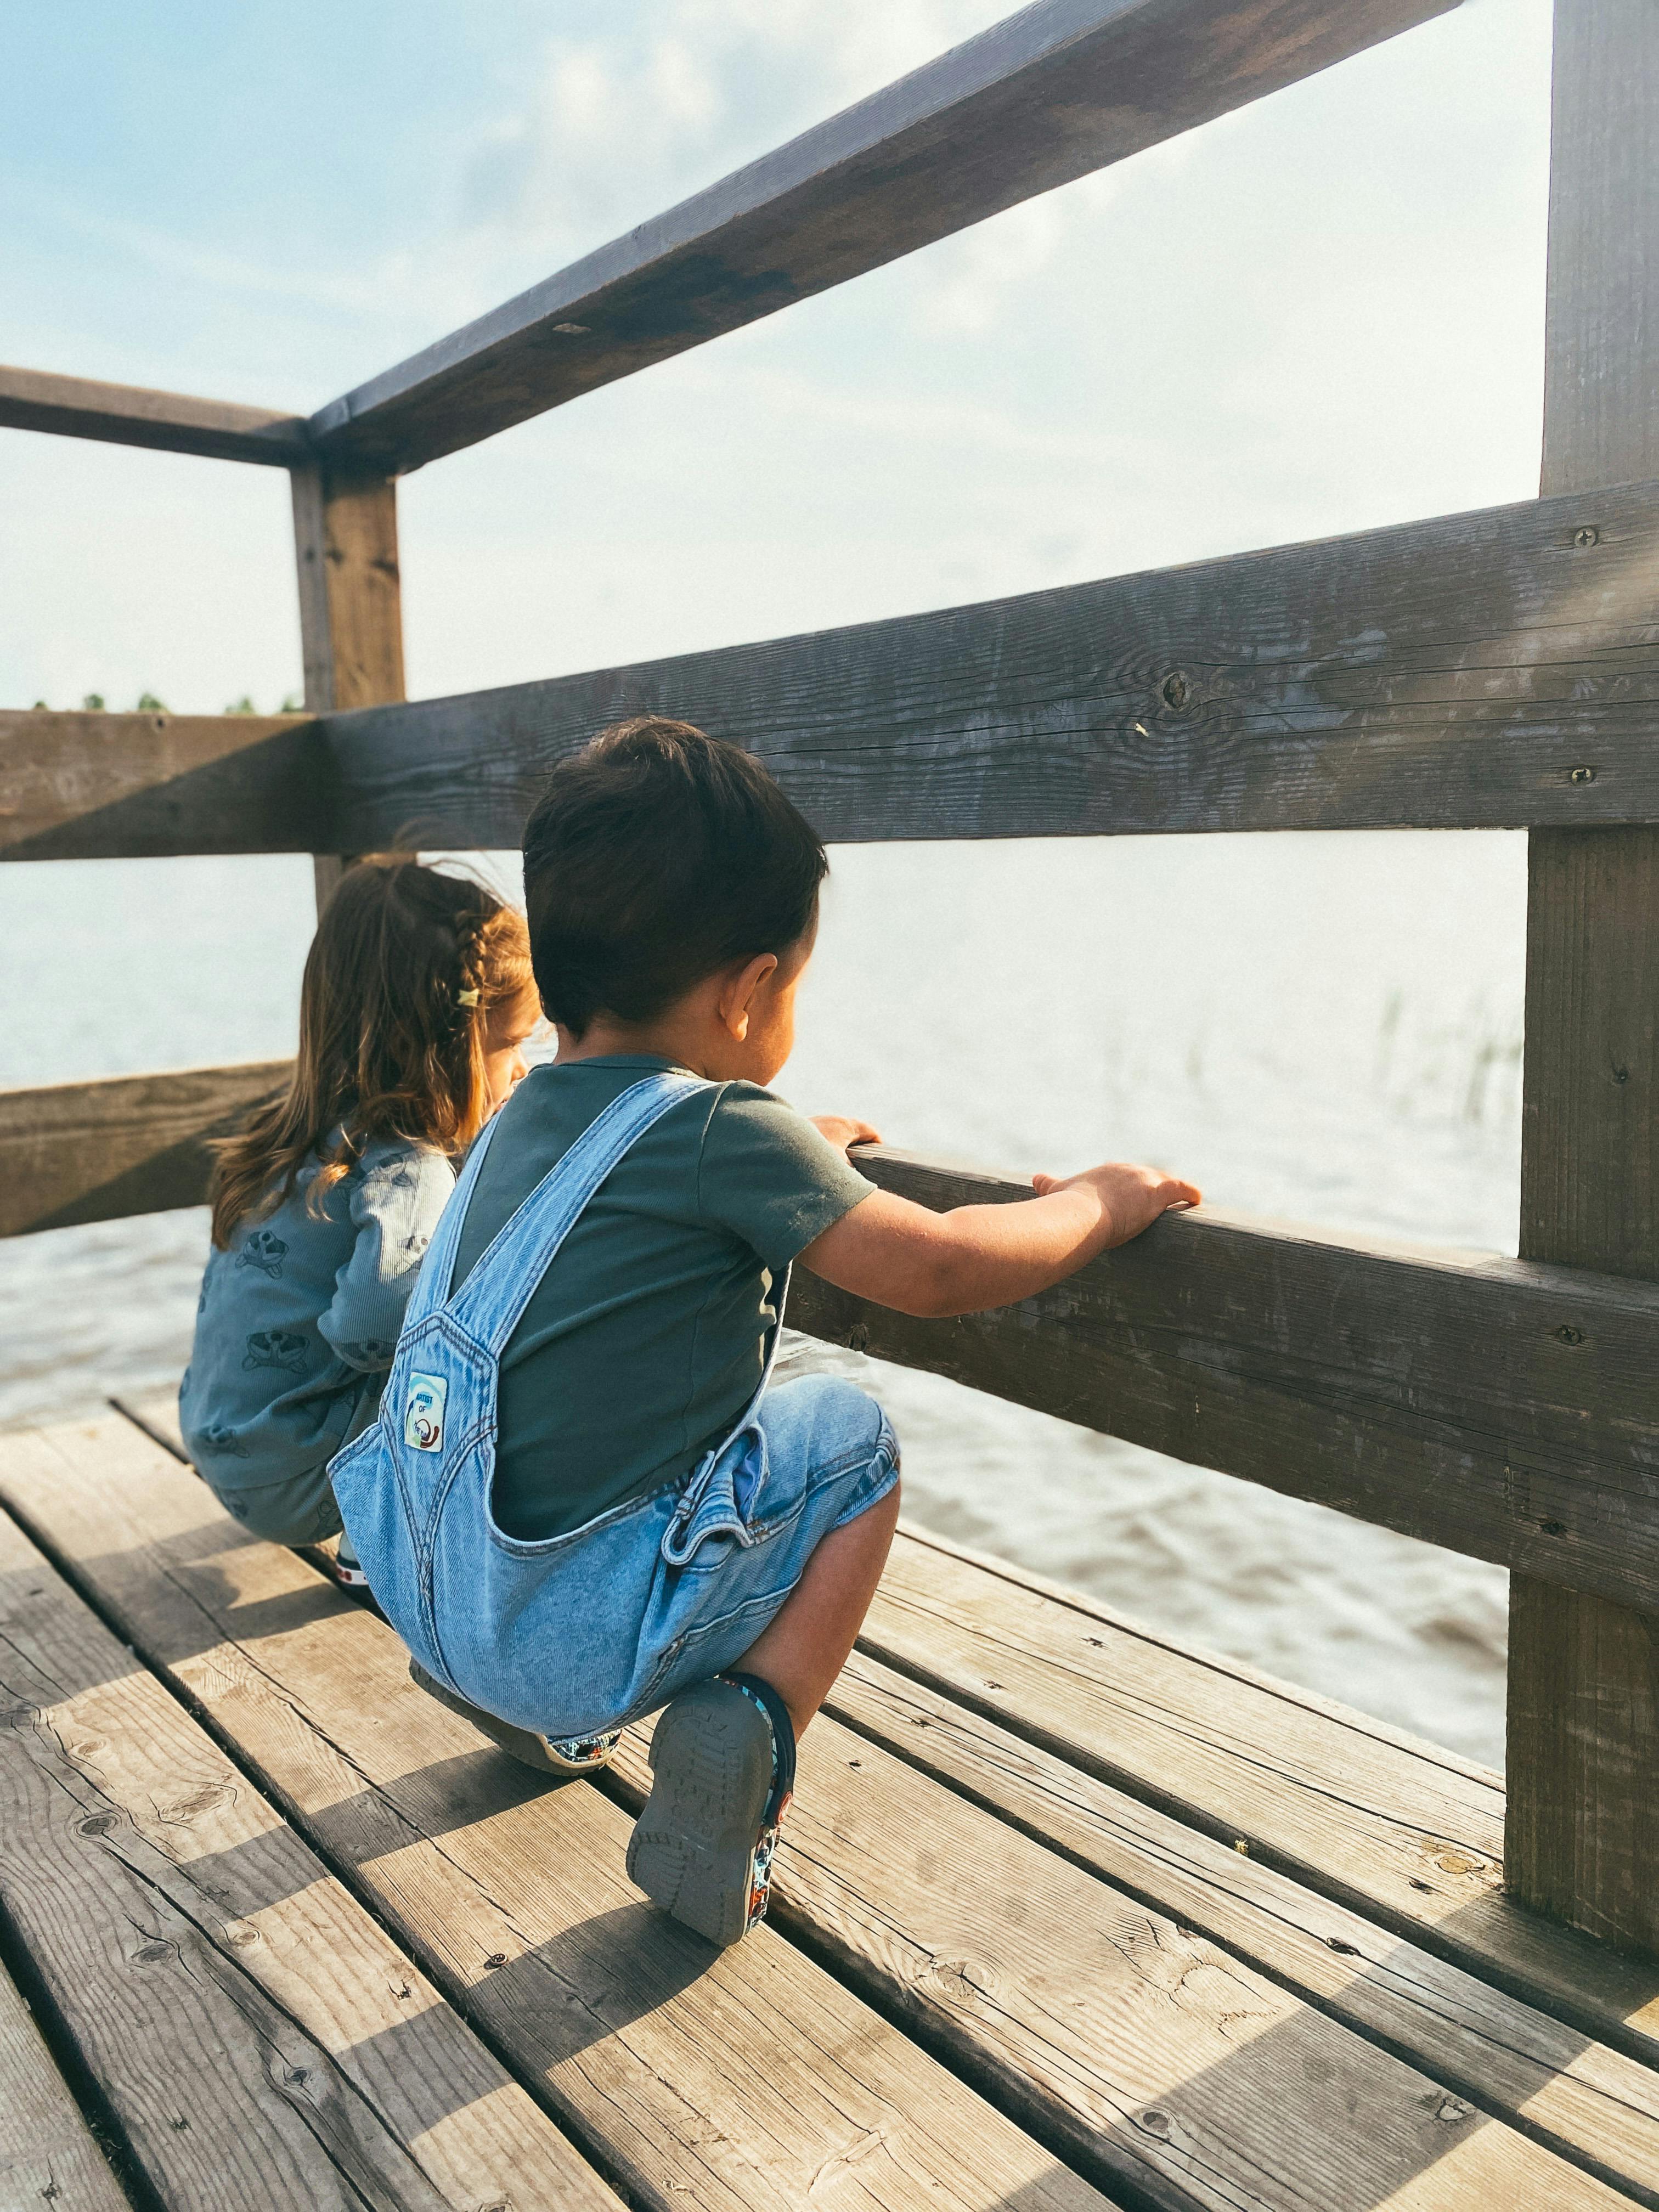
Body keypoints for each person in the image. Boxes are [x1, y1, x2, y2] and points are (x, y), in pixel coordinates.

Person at [332, 721, 1198, 1945]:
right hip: (572, 1629)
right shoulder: (724, 1131)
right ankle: (753, 1727)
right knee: (853, 1442)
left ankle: (518, 1703)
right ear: (748, 992)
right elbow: (942, 1270)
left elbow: (644, 1204)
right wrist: (1096, 1207)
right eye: (791, 980)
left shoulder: (517, 1121)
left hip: (431, 1591)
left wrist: (806, 1159)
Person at [180, 859, 540, 1581]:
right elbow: (371, 1327)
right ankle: (381, 1543)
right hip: (310, 1483)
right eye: (510, 1047)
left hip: (224, 1448)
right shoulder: (408, 1168)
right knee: (484, 1338)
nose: (525, 1071)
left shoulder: (290, 1139)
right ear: (448, 1048)